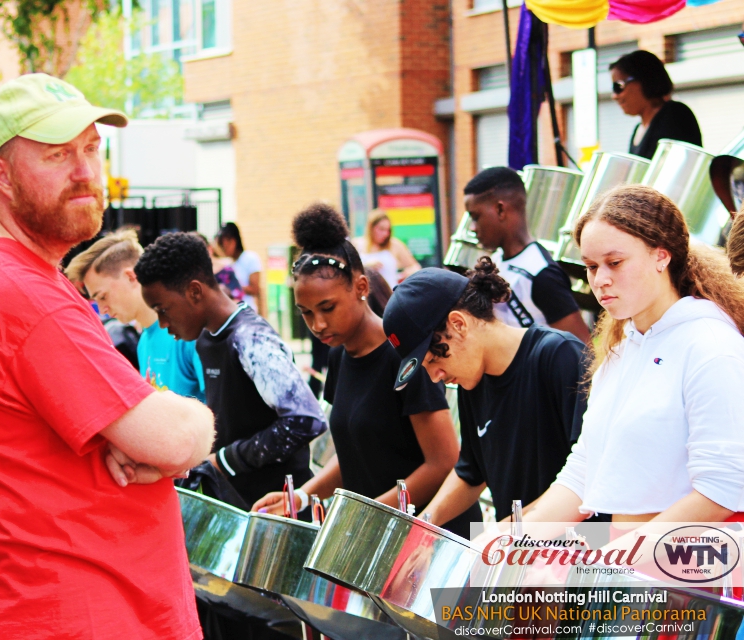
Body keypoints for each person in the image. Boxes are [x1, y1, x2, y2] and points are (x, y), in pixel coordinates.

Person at [0, 74, 213, 639]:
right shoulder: (23, 295)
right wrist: (192, 418)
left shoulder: (16, 278)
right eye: (57, 155)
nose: (84, 171)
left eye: (91, 148)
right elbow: (178, 440)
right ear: (1, 175)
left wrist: (142, 432)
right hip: (80, 613)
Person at [518, 185, 744, 525]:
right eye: (591, 267)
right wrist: (512, 541)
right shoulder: (621, 347)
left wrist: (614, 561)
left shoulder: (711, 345)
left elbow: (723, 489)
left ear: (661, 255)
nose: (601, 280)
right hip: (631, 566)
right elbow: (585, 466)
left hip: (691, 571)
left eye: (615, 262)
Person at [251, 204, 481, 537]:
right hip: (375, 536)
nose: (318, 324)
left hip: (436, 536)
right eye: (306, 313)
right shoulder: (338, 356)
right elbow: (356, 454)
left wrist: (366, 516)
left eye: (328, 307)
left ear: (361, 287)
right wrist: (301, 497)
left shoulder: (404, 357)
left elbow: (443, 462)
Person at [381, 260, 589, 524]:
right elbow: (471, 472)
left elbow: (588, 475)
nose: (435, 377)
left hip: (581, 550)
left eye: (434, 360)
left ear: (458, 324)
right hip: (518, 554)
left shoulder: (560, 356)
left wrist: (502, 535)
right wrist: (424, 528)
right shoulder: (472, 380)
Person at [134, 231, 327, 506]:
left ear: (194, 291)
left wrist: (226, 460)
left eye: (163, 309)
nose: (163, 324)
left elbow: (306, 420)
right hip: (236, 504)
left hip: (276, 512)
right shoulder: (205, 340)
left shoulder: (250, 338)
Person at [65, 229, 205, 401]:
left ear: (131, 277)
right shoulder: (144, 342)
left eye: (103, 296)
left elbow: (224, 411)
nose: (102, 310)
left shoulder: (189, 333)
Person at [463, 167, 591, 343]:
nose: (472, 228)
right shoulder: (497, 261)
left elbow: (582, 349)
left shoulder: (541, 274)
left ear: (500, 210)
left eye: (476, 217)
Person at [610, 50, 701, 160]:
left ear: (643, 79)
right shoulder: (638, 130)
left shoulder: (675, 114)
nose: (614, 96)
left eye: (618, 86)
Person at [353, 209, 421, 288]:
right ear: (371, 228)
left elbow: (415, 266)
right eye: (381, 229)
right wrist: (366, 267)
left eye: (388, 230)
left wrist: (405, 274)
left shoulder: (394, 245)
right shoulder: (357, 244)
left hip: (389, 293)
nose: (385, 234)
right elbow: (350, 270)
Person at [216, 222, 266, 315]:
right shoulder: (228, 263)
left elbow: (255, 289)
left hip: (248, 313)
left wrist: (232, 286)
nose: (223, 250)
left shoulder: (250, 258)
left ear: (233, 242)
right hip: (231, 313)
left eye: (224, 246)